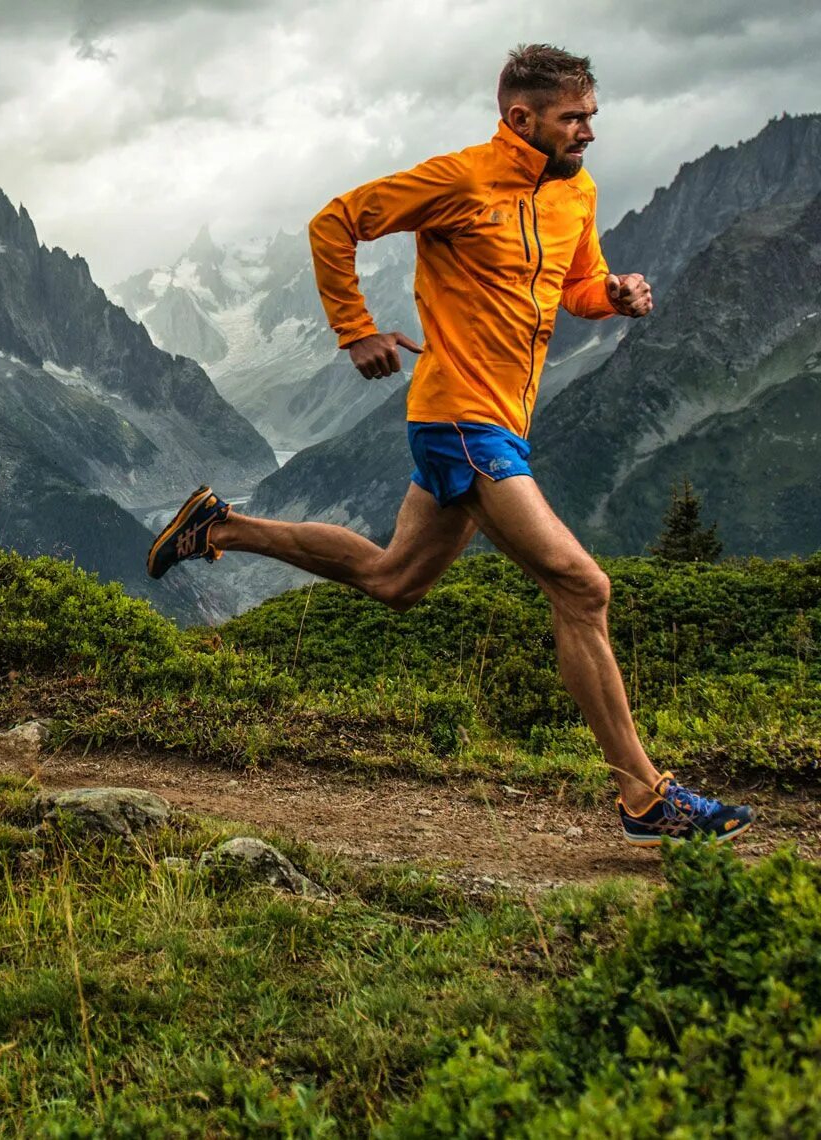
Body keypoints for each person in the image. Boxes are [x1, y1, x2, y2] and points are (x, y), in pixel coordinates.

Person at [147, 43, 752, 847]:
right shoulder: (462, 180)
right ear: (520, 118)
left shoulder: (577, 192)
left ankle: (217, 527)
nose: (589, 133)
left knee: (394, 579)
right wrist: (354, 330)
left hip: (500, 421)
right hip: (462, 419)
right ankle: (644, 793)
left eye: (592, 117)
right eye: (574, 119)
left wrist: (611, 294)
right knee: (583, 588)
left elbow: (575, 285)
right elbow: (334, 223)